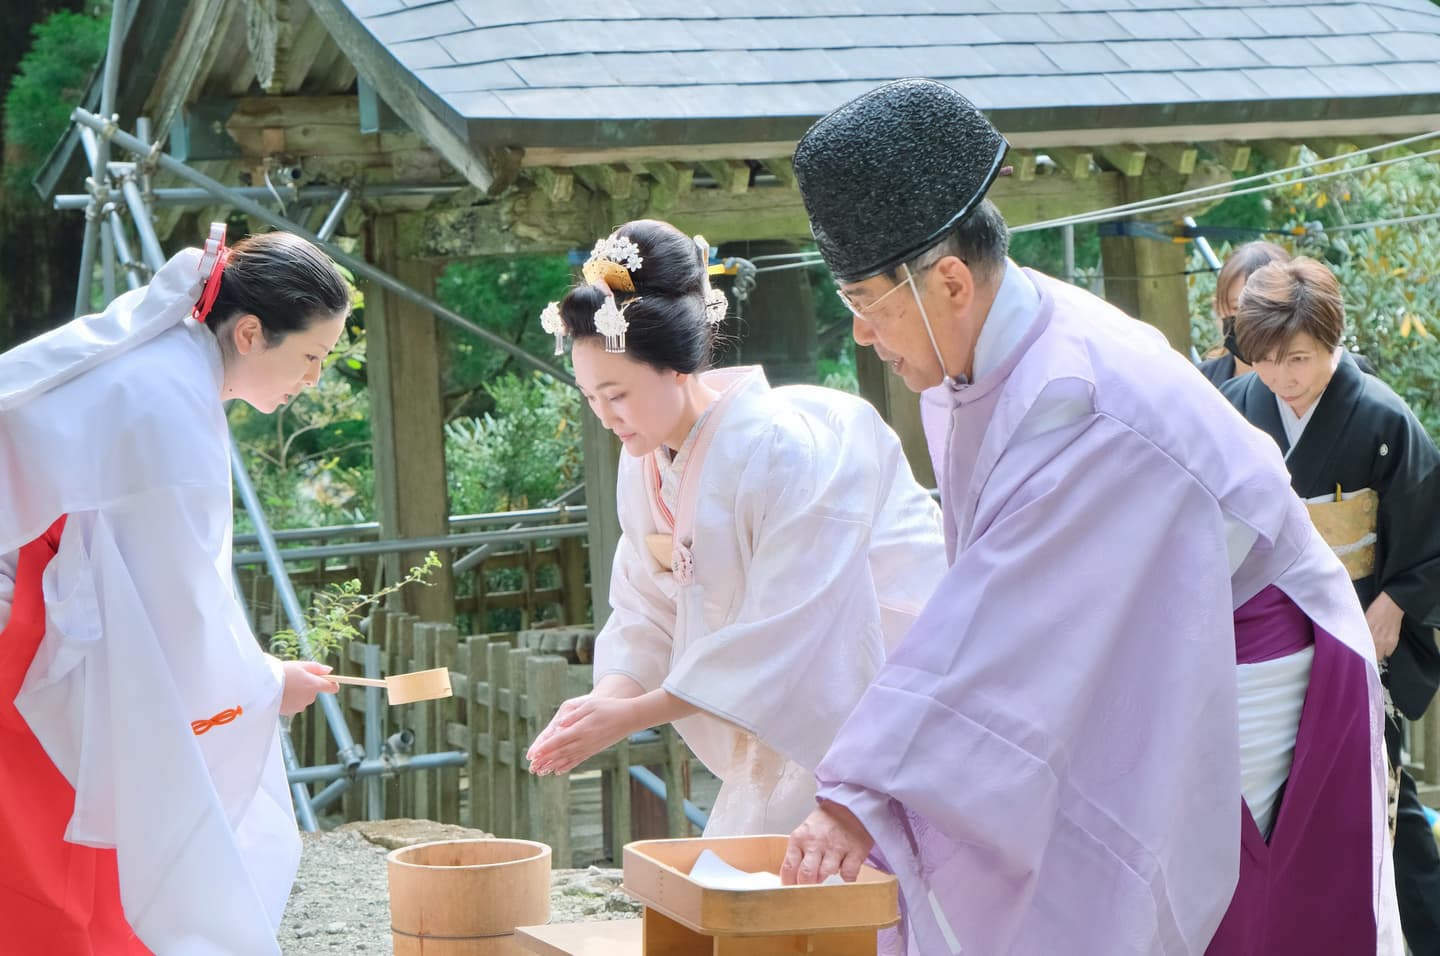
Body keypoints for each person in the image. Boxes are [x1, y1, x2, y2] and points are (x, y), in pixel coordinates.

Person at [780, 78, 1396, 955]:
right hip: (1156, 647)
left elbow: (996, 616)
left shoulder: (1075, 397)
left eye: (864, 307)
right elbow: (995, 599)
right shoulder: (988, 356)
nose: (864, 338)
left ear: (947, 280)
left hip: (1243, 662)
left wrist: (857, 791)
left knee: (1193, 911)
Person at [524, 219, 946, 835]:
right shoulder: (641, 462)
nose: (606, 417)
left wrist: (639, 713)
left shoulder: (786, 447)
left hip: (877, 695)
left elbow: (791, 624)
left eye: (617, 394)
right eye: (591, 399)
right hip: (774, 717)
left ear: (675, 368)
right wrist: (608, 700)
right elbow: (645, 606)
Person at [0, 226, 348, 954]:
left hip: (35, 601)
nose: (314, 377)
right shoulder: (172, 406)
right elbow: (181, 614)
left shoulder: (166, 367)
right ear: (250, 332)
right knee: (63, 844)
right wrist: (263, 685)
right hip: (21, 625)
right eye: (312, 355)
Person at [1222, 257, 1440, 955]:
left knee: (1378, 811)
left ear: (1332, 340)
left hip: (1352, 638)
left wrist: (1400, 603)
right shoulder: (1236, 409)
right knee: (1276, 817)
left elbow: (1429, 529)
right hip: (1263, 653)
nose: (1282, 377)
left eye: (1299, 358)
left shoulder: (1380, 417)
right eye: (1266, 361)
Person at [1197, 241, 1291, 386]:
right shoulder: (1201, 382)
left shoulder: (1306, 380)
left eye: (1266, 308)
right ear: (1218, 309)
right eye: (1238, 308)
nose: (1251, 320)